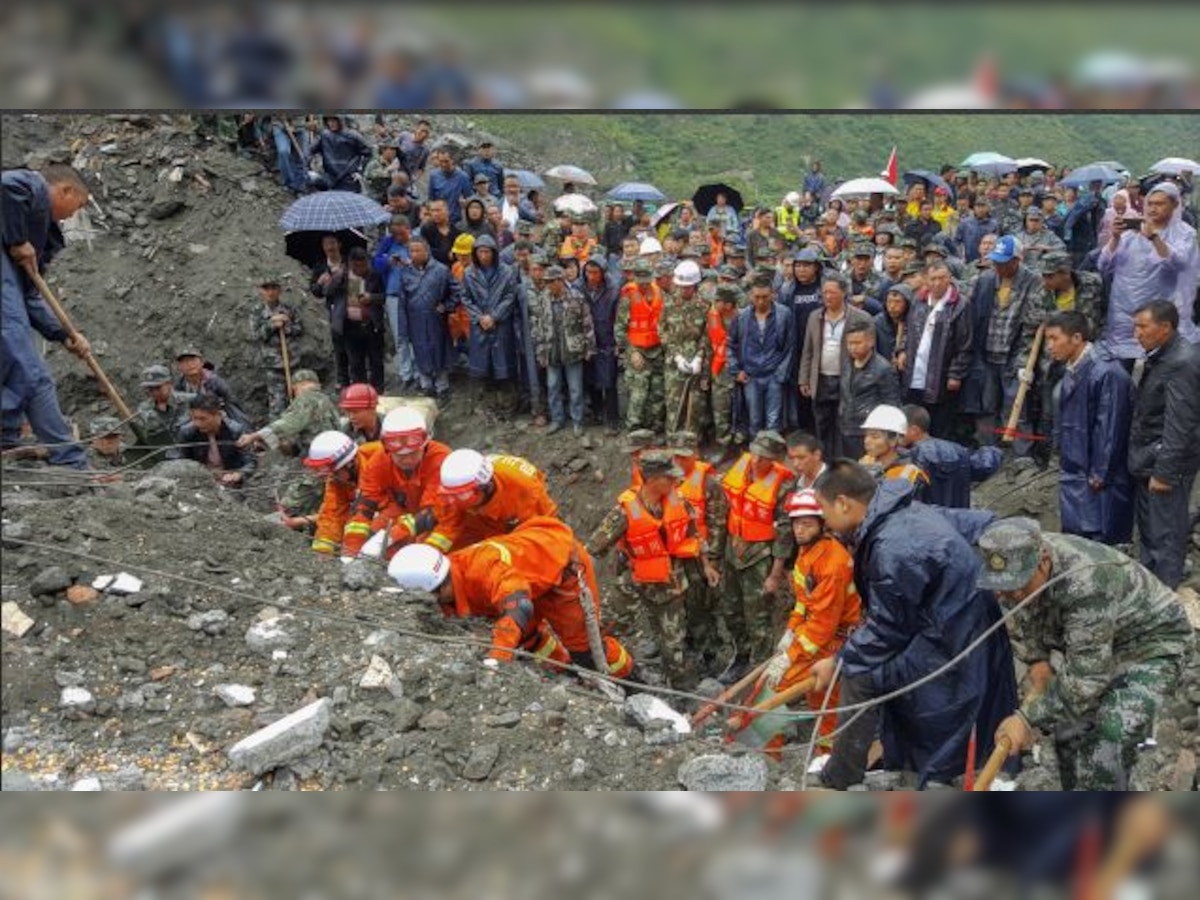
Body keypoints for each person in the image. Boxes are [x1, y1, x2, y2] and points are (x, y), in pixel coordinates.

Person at [809, 462, 1016, 789]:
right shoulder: (902, 510)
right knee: (866, 662)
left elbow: (888, 628)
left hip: (951, 638)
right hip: (951, 621)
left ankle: (841, 776)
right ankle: (894, 759)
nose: (823, 518)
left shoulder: (895, 546)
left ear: (844, 503)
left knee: (860, 674)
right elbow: (976, 521)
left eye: (822, 507)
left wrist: (839, 661)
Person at [980, 518, 1193, 790]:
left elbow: (1087, 681)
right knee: (1068, 729)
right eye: (1003, 588)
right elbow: (1027, 611)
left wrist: (1024, 718)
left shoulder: (1086, 583)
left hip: (1155, 645)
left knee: (1110, 735)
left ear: (1043, 563)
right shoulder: (1022, 562)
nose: (1011, 594)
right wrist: (1037, 659)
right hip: (1102, 642)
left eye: (1018, 585)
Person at [390, 517, 634, 678]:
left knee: (587, 651)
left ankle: (629, 677)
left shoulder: (483, 570)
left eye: (434, 598)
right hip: (531, 568)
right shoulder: (450, 573)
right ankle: (566, 673)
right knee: (527, 638)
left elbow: (518, 604)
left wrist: (498, 656)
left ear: (438, 588)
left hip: (560, 567)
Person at [586, 452, 719, 688]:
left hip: (670, 584)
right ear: (652, 478)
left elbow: (694, 535)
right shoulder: (625, 511)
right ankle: (596, 671)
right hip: (633, 581)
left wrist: (707, 565)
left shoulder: (679, 502)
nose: (675, 482)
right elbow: (594, 549)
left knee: (673, 641)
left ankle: (680, 690)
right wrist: (585, 586)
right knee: (608, 626)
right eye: (669, 478)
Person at [2, 164, 93, 469]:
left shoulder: (38, 238)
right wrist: (16, 240)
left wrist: (65, 334)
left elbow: (30, 297)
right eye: (78, 205)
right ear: (65, 190)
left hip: (11, 294)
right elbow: (6, 186)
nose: (72, 216)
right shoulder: (34, 186)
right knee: (27, 369)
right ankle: (68, 462)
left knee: (27, 375)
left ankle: (67, 461)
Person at [757, 489, 861, 754]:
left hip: (834, 640)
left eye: (807, 524)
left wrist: (791, 656)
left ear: (822, 524)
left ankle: (772, 757)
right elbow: (804, 603)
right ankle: (825, 752)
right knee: (824, 699)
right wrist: (790, 632)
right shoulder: (808, 552)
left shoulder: (832, 563)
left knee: (776, 688)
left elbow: (822, 627)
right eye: (796, 523)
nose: (799, 530)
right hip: (821, 636)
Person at [1043, 311, 1134, 544]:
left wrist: (1101, 472)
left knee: (1100, 534)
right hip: (1076, 467)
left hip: (1096, 473)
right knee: (1077, 535)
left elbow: (1110, 427)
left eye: (1054, 339)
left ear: (1076, 338)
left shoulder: (1106, 372)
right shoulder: (1073, 368)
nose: (1049, 346)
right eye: (1047, 340)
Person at [1127, 300, 1200, 588]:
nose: (1137, 334)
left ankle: (1164, 595)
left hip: (1166, 465)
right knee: (1150, 532)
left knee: (1166, 535)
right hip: (1148, 459)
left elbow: (1180, 425)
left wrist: (1164, 472)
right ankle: (1151, 589)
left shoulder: (1181, 363)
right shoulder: (1161, 356)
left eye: (1143, 327)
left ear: (1166, 327)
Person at [719, 430, 797, 672]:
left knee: (758, 616)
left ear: (774, 459)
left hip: (761, 558)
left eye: (763, 457)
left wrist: (775, 574)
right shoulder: (740, 470)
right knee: (731, 609)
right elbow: (725, 511)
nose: (756, 461)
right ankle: (740, 655)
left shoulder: (784, 484)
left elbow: (785, 533)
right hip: (733, 550)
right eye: (754, 454)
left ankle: (758, 668)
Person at [1099, 182, 1200, 364]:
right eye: (1150, 203)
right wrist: (1114, 237)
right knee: (1125, 366)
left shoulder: (1185, 234)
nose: (1153, 208)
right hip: (1125, 314)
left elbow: (1180, 264)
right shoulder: (1132, 233)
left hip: (1160, 312)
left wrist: (1154, 238)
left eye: (1160, 204)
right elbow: (1104, 264)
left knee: (1159, 365)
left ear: (1175, 205)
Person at [967, 236, 1046, 455]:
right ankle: (987, 452)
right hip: (986, 353)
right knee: (986, 405)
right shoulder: (983, 280)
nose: (998, 266)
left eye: (1004, 262)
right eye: (996, 261)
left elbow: (1033, 326)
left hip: (1015, 355)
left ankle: (1021, 455)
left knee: (1017, 406)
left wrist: (1024, 363)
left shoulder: (1033, 282)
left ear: (1017, 260)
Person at [341, 407, 449, 557]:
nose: (407, 459)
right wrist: (350, 550)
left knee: (421, 549)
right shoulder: (378, 462)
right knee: (372, 532)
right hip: (402, 511)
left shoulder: (441, 459)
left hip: (438, 517)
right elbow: (364, 507)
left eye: (413, 453)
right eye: (399, 455)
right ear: (387, 449)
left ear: (425, 444)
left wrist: (393, 535)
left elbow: (433, 512)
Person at [425, 449, 558, 554]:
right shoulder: (456, 490)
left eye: (462, 495)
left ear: (486, 487)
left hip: (516, 525)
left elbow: (545, 528)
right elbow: (449, 525)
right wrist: (430, 553)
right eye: (450, 495)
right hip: (482, 520)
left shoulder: (524, 488)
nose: (454, 501)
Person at [799, 275, 873, 458]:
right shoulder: (815, 316)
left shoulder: (860, 317)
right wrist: (804, 378)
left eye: (832, 292)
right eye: (824, 292)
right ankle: (824, 461)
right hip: (821, 378)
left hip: (846, 378)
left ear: (844, 293)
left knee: (844, 424)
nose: (827, 296)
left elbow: (870, 353)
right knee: (822, 423)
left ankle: (843, 462)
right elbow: (807, 350)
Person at [901, 261, 973, 441]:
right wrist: (901, 350)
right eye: (933, 279)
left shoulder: (960, 304)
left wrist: (956, 374)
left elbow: (965, 343)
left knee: (939, 421)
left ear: (949, 279)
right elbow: (908, 329)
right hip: (915, 369)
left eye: (942, 278)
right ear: (926, 279)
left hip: (941, 373)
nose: (937, 283)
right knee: (913, 418)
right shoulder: (919, 299)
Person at [531, 265, 595, 437]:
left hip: (573, 350)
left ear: (560, 281)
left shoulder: (577, 297)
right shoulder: (543, 299)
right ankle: (557, 420)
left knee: (575, 389)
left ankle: (577, 422)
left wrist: (589, 347)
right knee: (553, 387)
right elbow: (538, 327)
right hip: (551, 351)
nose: (548, 285)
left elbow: (587, 323)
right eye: (547, 282)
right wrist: (540, 352)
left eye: (551, 282)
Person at [301, 430, 383, 554]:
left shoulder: (383, 458)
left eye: (334, 473)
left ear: (349, 464)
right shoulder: (337, 479)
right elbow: (331, 515)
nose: (331, 478)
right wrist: (322, 552)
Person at [398, 237, 457, 403]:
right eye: (412, 251)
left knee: (439, 351)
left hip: (436, 319)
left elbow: (456, 291)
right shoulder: (405, 273)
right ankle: (426, 386)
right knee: (420, 351)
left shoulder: (441, 270)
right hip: (415, 319)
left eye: (418, 250)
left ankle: (442, 387)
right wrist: (403, 328)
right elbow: (402, 303)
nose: (414, 254)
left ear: (427, 251)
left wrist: (446, 306)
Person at [236, 368, 340, 458]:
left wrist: (254, 436)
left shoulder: (305, 399)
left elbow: (288, 425)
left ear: (297, 386)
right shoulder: (326, 399)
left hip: (319, 452)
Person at [839, 319, 901, 460]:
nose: (852, 348)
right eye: (849, 343)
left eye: (857, 343)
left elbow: (892, 404)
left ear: (871, 342)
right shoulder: (847, 363)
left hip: (869, 431)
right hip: (846, 426)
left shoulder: (883, 369)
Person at [616, 259, 666, 434]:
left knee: (658, 392)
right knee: (639, 394)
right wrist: (632, 352)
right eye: (640, 279)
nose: (644, 284)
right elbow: (620, 328)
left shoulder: (660, 293)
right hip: (637, 350)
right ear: (634, 277)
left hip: (658, 350)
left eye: (647, 279)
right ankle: (634, 429)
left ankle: (655, 428)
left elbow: (665, 323)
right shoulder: (628, 296)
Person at [660, 261, 709, 435]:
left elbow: (707, 334)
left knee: (694, 406)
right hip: (674, 363)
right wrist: (676, 356)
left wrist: (699, 357)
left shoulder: (704, 305)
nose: (684, 290)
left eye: (688, 287)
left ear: (695, 285)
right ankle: (672, 440)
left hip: (696, 362)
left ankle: (692, 445)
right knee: (673, 404)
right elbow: (663, 331)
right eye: (681, 286)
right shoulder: (669, 304)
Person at [176, 394, 256, 488]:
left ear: (218, 415)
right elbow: (183, 462)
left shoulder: (235, 431)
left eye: (202, 419)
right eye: (194, 418)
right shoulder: (187, 432)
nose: (197, 423)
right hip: (201, 482)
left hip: (231, 482)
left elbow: (251, 461)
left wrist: (238, 475)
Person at [901, 405, 972, 509]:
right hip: (959, 517)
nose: (894, 435)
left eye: (898, 430)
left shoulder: (914, 456)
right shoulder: (958, 449)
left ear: (914, 430)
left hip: (929, 519)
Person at [250, 279, 303, 418]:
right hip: (273, 365)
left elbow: (300, 329)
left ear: (279, 290)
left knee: (298, 400)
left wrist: (286, 325)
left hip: (293, 362)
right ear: (261, 291)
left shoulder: (289, 309)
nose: (271, 292)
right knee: (277, 404)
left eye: (274, 288)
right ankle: (277, 435)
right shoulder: (257, 311)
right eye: (267, 289)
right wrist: (271, 325)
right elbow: (255, 335)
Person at [582, 254, 621, 434]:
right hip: (588, 340)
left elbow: (618, 318)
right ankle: (597, 412)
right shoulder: (580, 289)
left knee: (610, 381)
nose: (591, 276)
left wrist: (617, 343)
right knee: (591, 379)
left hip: (607, 339)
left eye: (595, 272)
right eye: (588, 272)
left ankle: (613, 418)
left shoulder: (613, 291)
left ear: (603, 273)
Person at [858, 404, 930, 495]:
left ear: (893, 440)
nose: (866, 441)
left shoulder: (909, 474)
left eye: (875, 436)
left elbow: (886, 504)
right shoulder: (867, 461)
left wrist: (869, 476)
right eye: (866, 435)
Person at [1038, 251, 1107, 340]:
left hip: (1091, 344)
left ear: (1065, 273)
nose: (1045, 281)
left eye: (1050, 276)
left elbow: (1107, 312)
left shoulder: (1093, 284)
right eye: (1043, 276)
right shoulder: (1042, 293)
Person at [173, 346, 248, 426]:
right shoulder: (180, 386)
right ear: (179, 367)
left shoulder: (216, 383)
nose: (189, 364)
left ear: (201, 362)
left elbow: (233, 407)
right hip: (193, 421)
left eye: (192, 360)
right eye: (184, 362)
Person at [133, 364, 193, 461]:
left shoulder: (190, 401)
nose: (154, 392)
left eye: (158, 387)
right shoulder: (144, 409)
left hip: (192, 455)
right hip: (163, 460)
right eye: (150, 389)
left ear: (169, 384)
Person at [307, 115, 371, 192]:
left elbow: (368, 153)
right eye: (329, 121)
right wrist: (308, 168)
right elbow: (309, 151)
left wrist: (360, 171)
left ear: (340, 120)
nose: (331, 123)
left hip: (349, 178)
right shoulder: (324, 136)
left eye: (334, 121)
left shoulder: (353, 136)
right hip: (330, 177)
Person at [427, 150, 473, 227]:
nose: (443, 164)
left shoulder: (463, 177)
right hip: (438, 219)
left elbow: (469, 198)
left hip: (455, 220)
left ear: (453, 160)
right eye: (441, 161)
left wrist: (465, 203)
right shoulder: (433, 175)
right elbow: (431, 199)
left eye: (446, 161)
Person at [873, 282, 910, 370]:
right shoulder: (877, 322)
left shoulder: (914, 322)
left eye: (897, 302)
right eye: (889, 302)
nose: (892, 306)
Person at [418, 198, 461, 267]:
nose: (435, 214)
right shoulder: (426, 229)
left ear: (447, 211)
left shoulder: (456, 230)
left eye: (438, 210)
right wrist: (446, 254)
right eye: (432, 211)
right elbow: (425, 250)